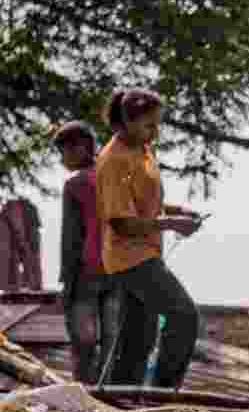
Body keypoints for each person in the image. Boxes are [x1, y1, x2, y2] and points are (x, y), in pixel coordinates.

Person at [94, 88, 205, 387]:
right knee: (183, 315)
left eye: (158, 125)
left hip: (147, 251)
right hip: (129, 256)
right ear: (127, 122)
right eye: (149, 126)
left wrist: (177, 210)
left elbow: (144, 203)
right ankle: (164, 393)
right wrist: (172, 224)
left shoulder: (142, 149)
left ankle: (120, 399)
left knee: (138, 339)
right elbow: (122, 223)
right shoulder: (114, 160)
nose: (155, 133)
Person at [53, 122, 112, 381]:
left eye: (63, 152)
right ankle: (111, 392)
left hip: (87, 271)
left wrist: (67, 283)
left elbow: (71, 239)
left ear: (80, 148)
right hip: (121, 268)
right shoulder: (115, 176)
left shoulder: (75, 184)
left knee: (83, 341)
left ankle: (85, 390)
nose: (62, 159)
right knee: (112, 338)